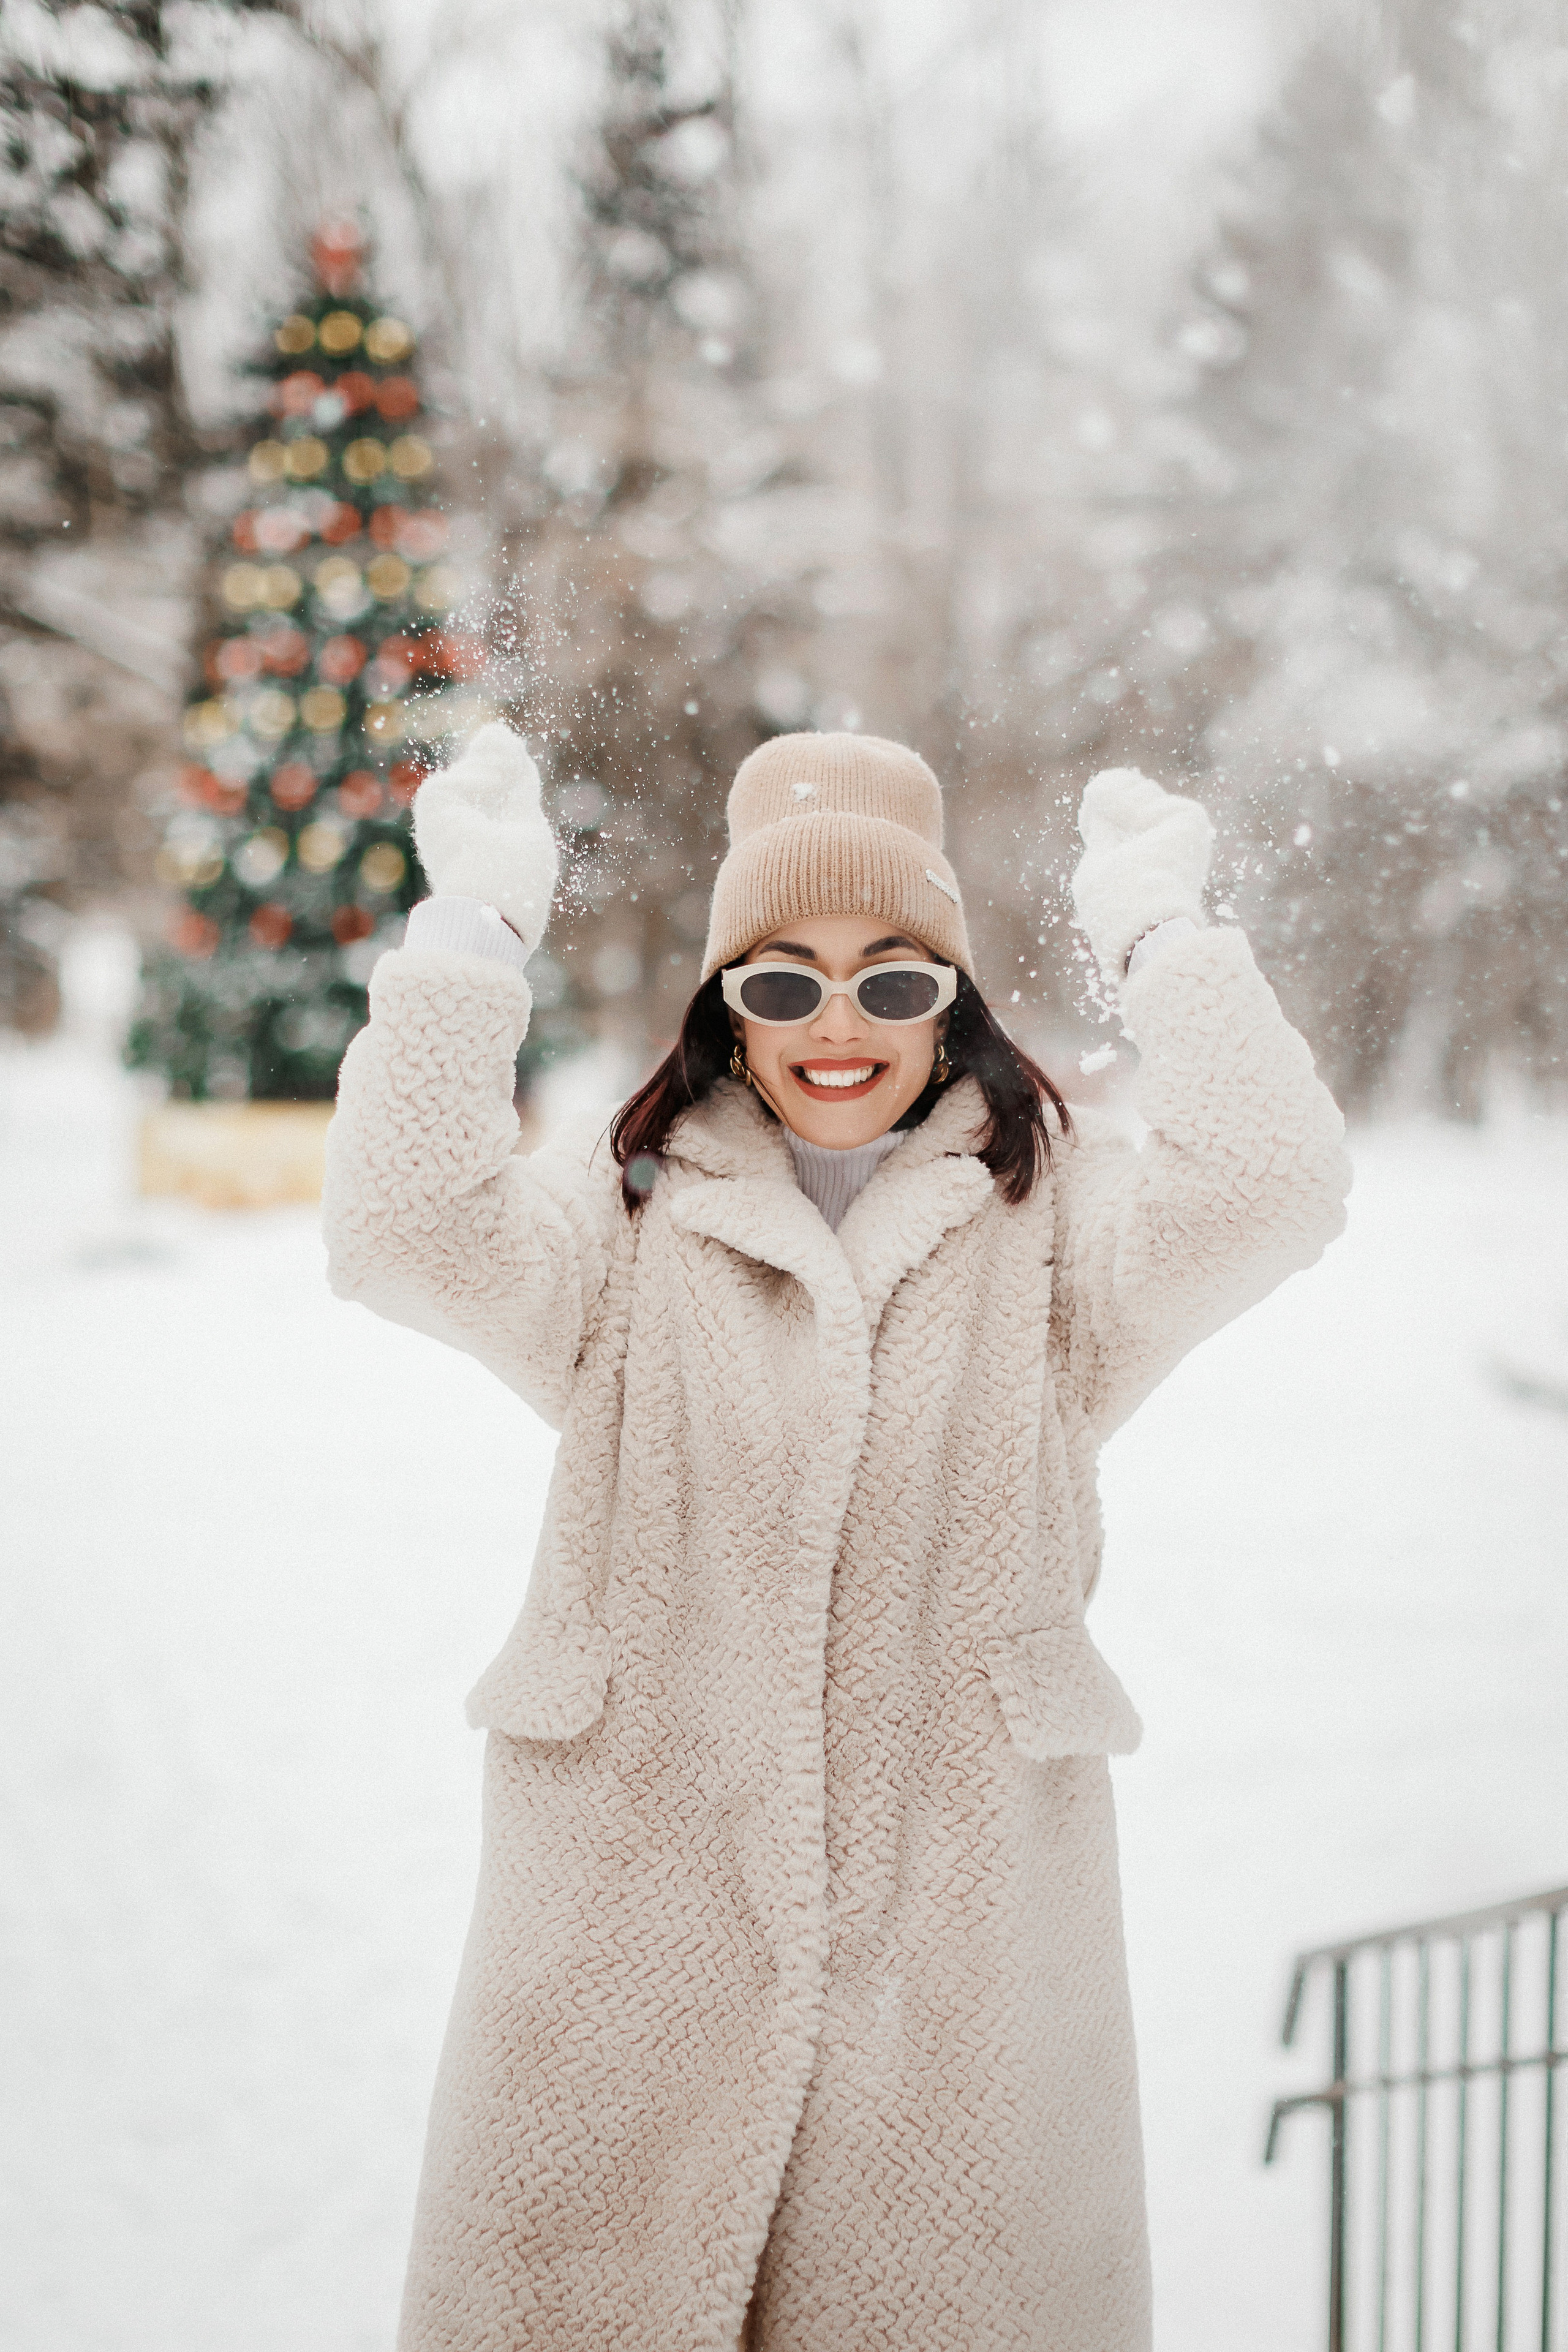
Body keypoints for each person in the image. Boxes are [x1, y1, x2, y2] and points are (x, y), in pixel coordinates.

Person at [323, 726, 1350, 2352]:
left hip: (955, 1971)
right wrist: (473, 942)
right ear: (730, 1000)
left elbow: (1276, 1190)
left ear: (953, 991)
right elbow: (401, 1224)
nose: (840, 1027)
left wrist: (1168, 940)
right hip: (625, 1943)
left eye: (893, 978)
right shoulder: (625, 1211)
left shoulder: (1056, 1225)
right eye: (784, 983)